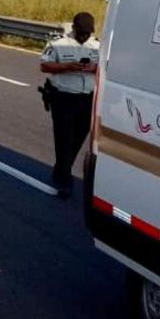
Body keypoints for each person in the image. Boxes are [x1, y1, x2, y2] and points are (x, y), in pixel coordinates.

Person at [40, 12, 100, 198]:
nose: (84, 36)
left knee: (77, 140)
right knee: (64, 139)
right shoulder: (58, 44)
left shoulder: (98, 46)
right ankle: (64, 180)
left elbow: (108, 68)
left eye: (87, 33)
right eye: (81, 33)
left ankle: (60, 170)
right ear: (74, 29)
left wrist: (93, 68)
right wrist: (68, 67)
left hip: (87, 98)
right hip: (63, 97)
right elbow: (45, 66)